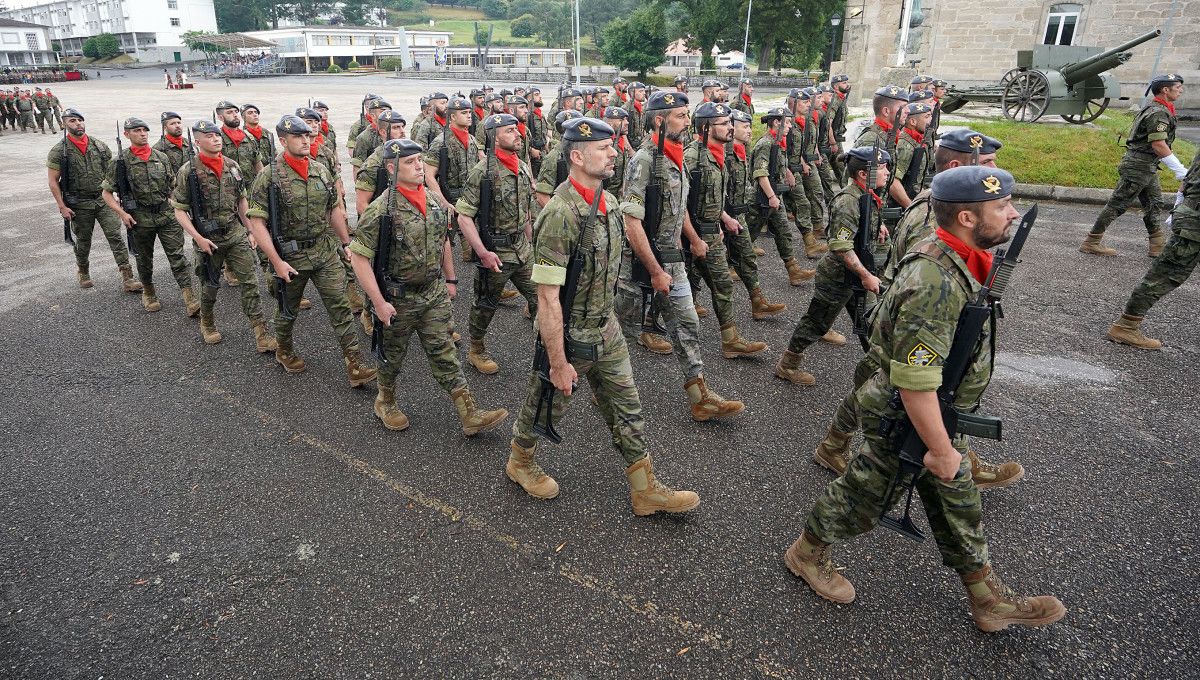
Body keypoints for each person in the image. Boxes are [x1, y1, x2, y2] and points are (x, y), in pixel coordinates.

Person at [783, 166, 1067, 634]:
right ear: (967, 219)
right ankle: (806, 553)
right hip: (906, 412)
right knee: (865, 496)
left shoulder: (959, 259)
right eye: (1001, 207)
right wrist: (938, 447)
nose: (1013, 214)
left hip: (931, 409)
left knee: (957, 500)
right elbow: (915, 381)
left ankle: (986, 598)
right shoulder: (934, 281)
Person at [506, 116, 701, 516]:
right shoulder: (560, 215)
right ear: (577, 157)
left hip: (605, 328)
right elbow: (546, 297)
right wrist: (559, 362)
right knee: (546, 401)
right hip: (571, 332)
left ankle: (645, 490)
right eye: (603, 148)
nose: (614, 152)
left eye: (613, 146)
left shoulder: (609, 202)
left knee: (628, 405)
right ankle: (520, 462)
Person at [816, 129, 1021, 489]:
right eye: (986, 164)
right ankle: (955, 459)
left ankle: (834, 444)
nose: (994, 169)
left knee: (875, 382)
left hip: (900, 312)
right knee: (905, 388)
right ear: (957, 167)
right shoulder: (939, 217)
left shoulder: (933, 200)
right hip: (912, 316)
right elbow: (926, 279)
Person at [350, 139, 509, 435]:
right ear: (391, 167)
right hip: (397, 298)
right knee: (392, 355)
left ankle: (469, 413)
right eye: (410, 162)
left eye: (420, 160)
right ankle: (385, 400)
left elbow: (443, 241)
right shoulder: (380, 210)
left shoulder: (434, 201)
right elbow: (358, 258)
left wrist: (450, 279)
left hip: (432, 293)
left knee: (444, 351)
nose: (419, 166)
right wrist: (378, 302)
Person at [618, 91, 744, 421]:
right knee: (621, 332)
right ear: (659, 120)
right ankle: (600, 386)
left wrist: (693, 238)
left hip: (673, 261)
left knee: (687, 324)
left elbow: (680, 207)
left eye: (688, 115)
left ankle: (700, 397)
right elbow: (631, 222)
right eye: (680, 116)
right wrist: (654, 269)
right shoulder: (643, 162)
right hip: (638, 263)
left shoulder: (676, 156)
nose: (688, 122)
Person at [246, 115, 377, 388]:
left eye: (307, 135)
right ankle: (284, 349)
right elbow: (257, 222)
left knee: (340, 307)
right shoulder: (269, 176)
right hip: (290, 256)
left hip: (324, 251)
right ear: (283, 141)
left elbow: (334, 210)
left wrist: (345, 244)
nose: (305, 140)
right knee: (287, 309)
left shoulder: (320, 170)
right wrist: (276, 262)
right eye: (298, 136)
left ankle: (354, 363)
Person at [775, 147, 889, 386]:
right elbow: (841, 246)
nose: (887, 173)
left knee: (870, 322)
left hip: (855, 276)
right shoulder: (848, 201)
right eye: (882, 168)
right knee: (815, 323)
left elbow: (858, 230)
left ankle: (880, 373)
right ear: (862, 174)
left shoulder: (867, 195)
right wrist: (866, 275)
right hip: (838, 278)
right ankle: (787, 365)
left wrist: (878, 228)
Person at [171, 120, 275, 352]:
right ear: (197, 142)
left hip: (234, 233)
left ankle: (261, 333)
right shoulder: (188, 171)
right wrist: (197, 237)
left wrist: (250, 230)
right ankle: (207, 322)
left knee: (250, 283)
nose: (216, 139)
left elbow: (241, 200)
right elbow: (179, 209)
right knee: (209, 285)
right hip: (208, 238)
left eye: (217, 135)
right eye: (209, 136)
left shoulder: (232, 166)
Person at [454, 113, 539, 374]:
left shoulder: (522, 167)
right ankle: (476, 349)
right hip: (496, 251)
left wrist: (530, 241)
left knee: (541, 297)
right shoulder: (482, 173)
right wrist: (482, 252)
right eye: (510, 131)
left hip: (522, 249)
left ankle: (549, 347)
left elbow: (525, 210)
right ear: (494, 137)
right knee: (485, 305)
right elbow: (464, 216)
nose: (518, 134)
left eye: (517, 130)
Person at [683, 102, 768, 359]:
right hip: (691, 234)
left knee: (721, 284)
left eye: (731, 123)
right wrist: (695, 237)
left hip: (709, 232)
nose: (730, 128)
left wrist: (722, 219)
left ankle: (730, 341)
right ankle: (645, 331)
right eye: (723, 124)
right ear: (706, 127)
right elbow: (679, 204)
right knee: (671, 291)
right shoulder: (692, 157)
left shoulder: (717, 155)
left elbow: (711, 198)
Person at [1082, 73, 1186, 257]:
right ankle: (1092, 241)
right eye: (1178, 87)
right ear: (1165, 90)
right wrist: (1180, 171)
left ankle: (1157, 246)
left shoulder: (1158, 109)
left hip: (1146, 165)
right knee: (1118, 204)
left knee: (1155, 203)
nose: (1181, 90)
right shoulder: (1159, 112)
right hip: (1139, 166)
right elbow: (1158, 145)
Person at [102, 117, 198, 315]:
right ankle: (149, 292)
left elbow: (172, 186)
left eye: (144, 130)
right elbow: (106, 193)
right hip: (139, 217)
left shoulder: (161, 157)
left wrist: (178, 206)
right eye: (136, 131)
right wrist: (122, 213)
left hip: (165, 215)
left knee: (177, 256)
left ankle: (189, 297)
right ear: (127, 134)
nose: (142, 134)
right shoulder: (120, 162)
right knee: (144, 259)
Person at [1107, 151, 1200, 349]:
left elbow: (1186, 182)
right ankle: (1126, 326)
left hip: (1190, 214)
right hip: (1194, 223)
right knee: (1165, 275)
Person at [47, 108, 141, 292]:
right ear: (64, 124)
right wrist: (62, 206)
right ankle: (83, 271)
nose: (78, 124)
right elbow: (52, 181)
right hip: (79, 203)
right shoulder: (59, 151)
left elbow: (112, 174)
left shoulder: (99, 145)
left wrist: (118, 196)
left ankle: (128, 277)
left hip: (102, 200)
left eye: (80, 120)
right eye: (73, 121)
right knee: (83, 240)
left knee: (115, 237)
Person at [725, 109, 787, 320]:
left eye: (750, 126)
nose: (750, 131)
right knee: (700, 267)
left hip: (738, 214)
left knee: (748, 256)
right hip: (721, 218)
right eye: (745, 127)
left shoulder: (741, 150)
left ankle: (757, 302)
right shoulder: (722, 154)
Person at [750, 107, 814, 286]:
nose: (790, 126)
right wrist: (771, 197)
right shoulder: (766, 143)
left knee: (784, 232)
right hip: (761, 197)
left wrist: (787, 173)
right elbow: (760, 173)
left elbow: (776, 164)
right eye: (787, 122)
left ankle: (793, 270)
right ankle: (732, 264)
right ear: (777, 122)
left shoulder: (778, 142)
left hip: (774, 195)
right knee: (749, 233)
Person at [785, 88, 828, 260]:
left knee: (809, 197)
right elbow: (783, 150)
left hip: (800, 165)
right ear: (794, 103)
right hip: (789, 168)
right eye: (804, 102)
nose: (808, 104)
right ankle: (810, 243)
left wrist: (806, 160)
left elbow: (803, 146)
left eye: (808, 101)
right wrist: (789, 169)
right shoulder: (786, 123)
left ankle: (813, 237)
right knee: (800, 204)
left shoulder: (805, 121)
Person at [215, 100, 262, 182]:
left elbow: (257, 163)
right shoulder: (217, 139)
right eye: (229, 112)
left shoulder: (248, 137)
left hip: (250, 187)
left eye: (236, 112)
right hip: (228, 189)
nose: (235, 115)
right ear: (220, 117)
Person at [152, 111, 191, 177]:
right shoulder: (158, 149)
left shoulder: (190, 145)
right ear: (165, 128)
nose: (177, 126)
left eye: (179, 123)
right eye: (172, 124)